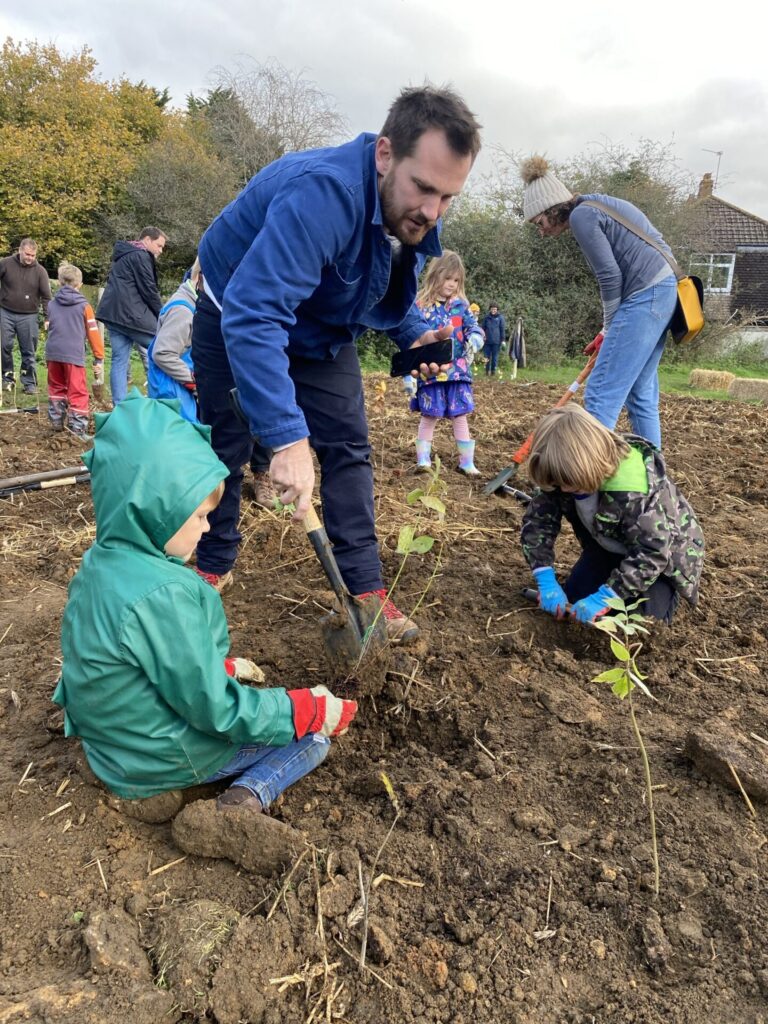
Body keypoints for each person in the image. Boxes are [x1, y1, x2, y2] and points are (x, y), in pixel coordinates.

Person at [192, 85, 482, 641]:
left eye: (448, 197)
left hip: (319, 327)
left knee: (348, 446)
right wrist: (285, 438)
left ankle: (365, 587)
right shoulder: (322, 196)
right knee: (227, 446)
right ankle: (213, 564)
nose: (432, 211)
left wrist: (416, 337)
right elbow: (255, 315)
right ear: (384, 154)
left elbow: (374, 283)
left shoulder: (415, 208)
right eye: (424, 189)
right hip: (236, 308)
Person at [52, 392, 357, 815]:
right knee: (313, 738)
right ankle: (243, 801)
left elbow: (133, 661)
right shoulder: (164, 593)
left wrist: (219, 667)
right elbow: (216, 709)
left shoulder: (97, 565)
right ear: (154, 510)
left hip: (111, 748)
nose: (209, 525)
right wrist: (304, 708)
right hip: (165, 755)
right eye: (197, 515)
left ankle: (148, 788)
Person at [521, 156, 678, 449]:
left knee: (600, 393)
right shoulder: (599, 204)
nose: (540, 231)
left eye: (539, 222)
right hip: (666, 292)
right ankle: (653, 479)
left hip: (646, 295)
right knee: (640, 393)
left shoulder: (582, 216)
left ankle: (584, 485)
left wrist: (609, 328)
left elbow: (609, 276)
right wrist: (609, 330)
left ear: (552, 209)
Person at [521, 405, 704, 624]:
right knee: (575, 600)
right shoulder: (561, 472)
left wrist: (606, 597)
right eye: (558, 484)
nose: (565, 490)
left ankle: (666, 596)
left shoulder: (632, 489)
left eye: (571, 484)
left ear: (590, 464)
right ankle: (613, 580)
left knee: (640, 624)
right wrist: (545, 579)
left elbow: (653, 552)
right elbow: (538, 523)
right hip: (607, 546)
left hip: (664, 560)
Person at [148, 261, 275, 507]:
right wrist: (191, 380)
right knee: (185, 437)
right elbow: (163, 353)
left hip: (180, 385)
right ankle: (179, 492)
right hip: (173, 388)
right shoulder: (183, 310)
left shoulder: (191, 303)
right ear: (202, 278)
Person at [407, 250, 484, 475]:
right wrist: (408, 374)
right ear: (435, 275)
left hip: (458, 370)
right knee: (429, 414)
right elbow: (411, 337)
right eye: (447, 278)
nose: (451, 284)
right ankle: (423, 461)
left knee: (459, 415)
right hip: (429, 371)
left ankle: (466, 463)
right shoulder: (421, 305)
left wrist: (476, 337)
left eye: (456, 280)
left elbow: (473, 326)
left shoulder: (461, 306)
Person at [96, 226, 166, 406]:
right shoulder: (141, 256)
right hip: (132, 316)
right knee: (161, 350)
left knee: (119, 359)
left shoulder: (124, 255)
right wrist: (163, 315)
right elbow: (148, 289)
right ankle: (160, 400)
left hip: (113, 316)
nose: (160, 250)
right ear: (148, 240)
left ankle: (119, 406)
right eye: (159, 245)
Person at [44, 263, 104, 438]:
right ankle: (77, 429)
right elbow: (93, 333)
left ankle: (56, 421)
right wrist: (98, 358)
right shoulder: (84, 306)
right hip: (73, 355)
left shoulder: (52, 304)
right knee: (77, 391)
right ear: (80, 284)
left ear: (59, 283)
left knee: (56, 386)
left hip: (53, 353)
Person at [0, 238, 52, 394]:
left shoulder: (40, 271)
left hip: (29, 315)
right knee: (4, 346)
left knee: (28, 350)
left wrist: (48, 317)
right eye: (27, 254)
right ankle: (7, 379)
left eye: (33, 255)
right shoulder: (6, 263)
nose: (30, 258)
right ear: (20, 250)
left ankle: (29, 383)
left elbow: (47, 297)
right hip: (5, 311)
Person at [481, 302, 506, 376]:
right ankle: (486, 371)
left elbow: (502, 329)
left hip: (496, 341)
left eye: (495, 309)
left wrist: (503, 340)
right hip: (487, 341)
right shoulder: (486, 317)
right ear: (490, 309)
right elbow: (483, 328)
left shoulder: (500, 318)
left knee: (495, 358)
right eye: (492, 309)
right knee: (486, 357)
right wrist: (482, 337)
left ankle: (493, 372)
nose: (493, 310)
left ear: (497, 310)